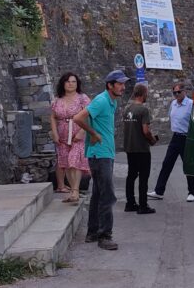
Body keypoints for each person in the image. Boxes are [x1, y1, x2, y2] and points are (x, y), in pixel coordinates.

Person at [73, 69, 130, 250]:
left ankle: (93, 232)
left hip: (105, 154)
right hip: (100, 155)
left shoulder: (111, 102)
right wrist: (94, 134)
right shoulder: (101, 100)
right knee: (108, 195)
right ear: (110, 85)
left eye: (123, 83)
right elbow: (78, 118)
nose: (123, 87)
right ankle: (105, 236)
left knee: (98, 193)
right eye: (120, 84)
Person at [149, 84, 194, 202]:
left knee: (188, 166)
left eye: (178, 92)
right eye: (174, 93)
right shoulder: (173, 104)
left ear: (184, 91)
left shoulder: (191, 104)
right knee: (166, 164)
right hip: (175, 137)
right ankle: (159, 191)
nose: (176, 95)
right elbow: (171, 119)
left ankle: (192, 192)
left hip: (187, 138)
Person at [49, 72, 91, 203]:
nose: (71, 84)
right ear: (63, 83)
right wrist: (54, 133)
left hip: (77, 133)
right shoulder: (57, 100)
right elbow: (52, 117)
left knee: (74, 160)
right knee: (66, 163)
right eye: (68, 81)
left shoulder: (83, 98)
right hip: (62, 135)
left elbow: (89, 115)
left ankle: (75, 191)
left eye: (73, 82)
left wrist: (82, 132)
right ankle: (73, 190)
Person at [123, 84, 157, 215]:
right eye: (146, 93)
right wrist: (152, 140)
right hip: (142, 148)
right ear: (143, 94)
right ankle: (143, 205)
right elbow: (145, 130)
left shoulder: (127, 109)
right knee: (143, 177)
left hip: (129, 147)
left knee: (131, 176)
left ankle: (130, 203)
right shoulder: (143, 110)